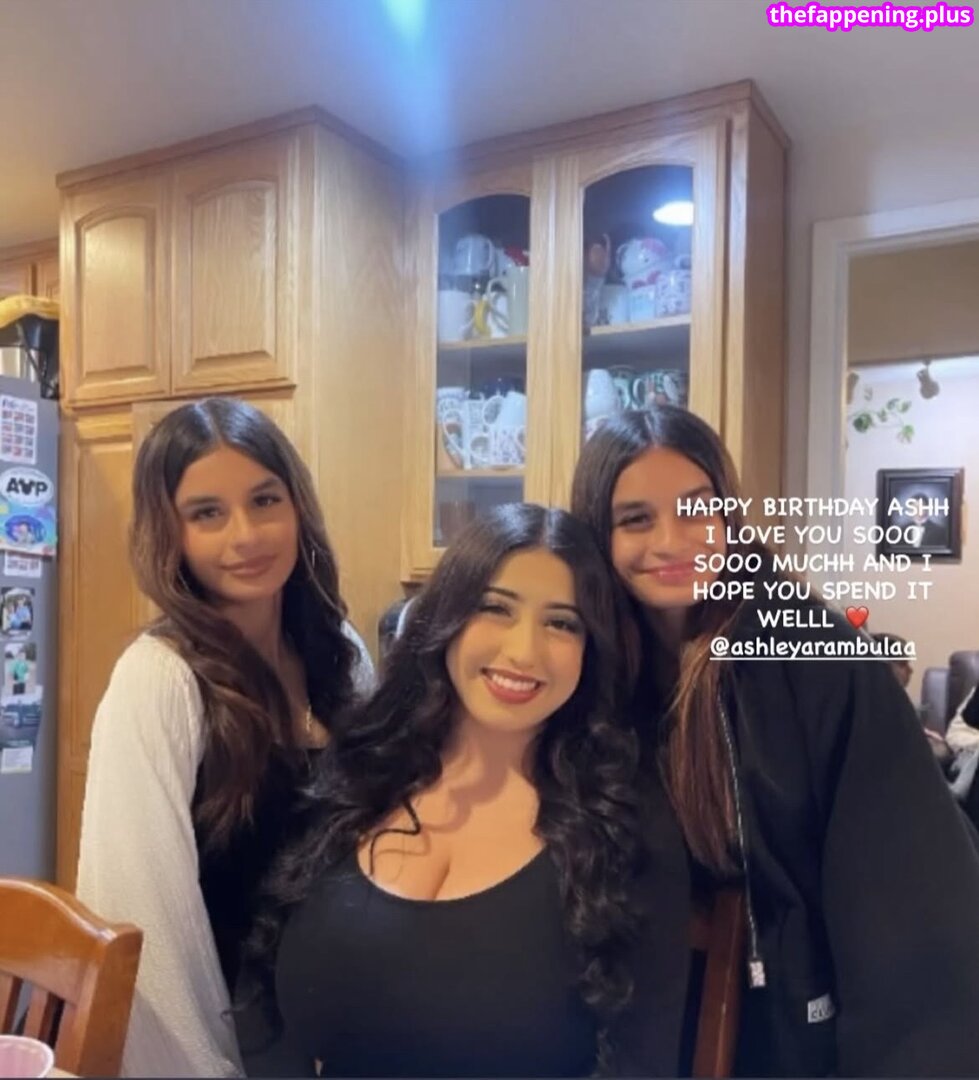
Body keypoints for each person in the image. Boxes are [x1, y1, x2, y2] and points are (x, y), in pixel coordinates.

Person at [571, 406, 979, 1077]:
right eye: (635, 519)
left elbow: (909, 908)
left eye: (696, 510)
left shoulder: (814, 659)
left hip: (797, 1036)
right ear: (598, 532)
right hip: (638, 1029)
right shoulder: (586, 669)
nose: (671, 541)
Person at [243, 504, 690, 1078]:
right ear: (447, 615)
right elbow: (259, 986)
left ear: (591, 648)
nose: (523, 651)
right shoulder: (357, 772)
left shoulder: (627, 829)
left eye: (561, 623)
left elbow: (641, 1063)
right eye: (495, 608)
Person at [75, 398, 375, 1078]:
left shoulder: (339, 654)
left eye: (264, 500)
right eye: (207, 513)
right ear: (169, 533)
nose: (246, 535)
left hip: (341, 1027)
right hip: (232, 1039)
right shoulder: (159, 680)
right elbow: (143, 916)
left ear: (297, 506)